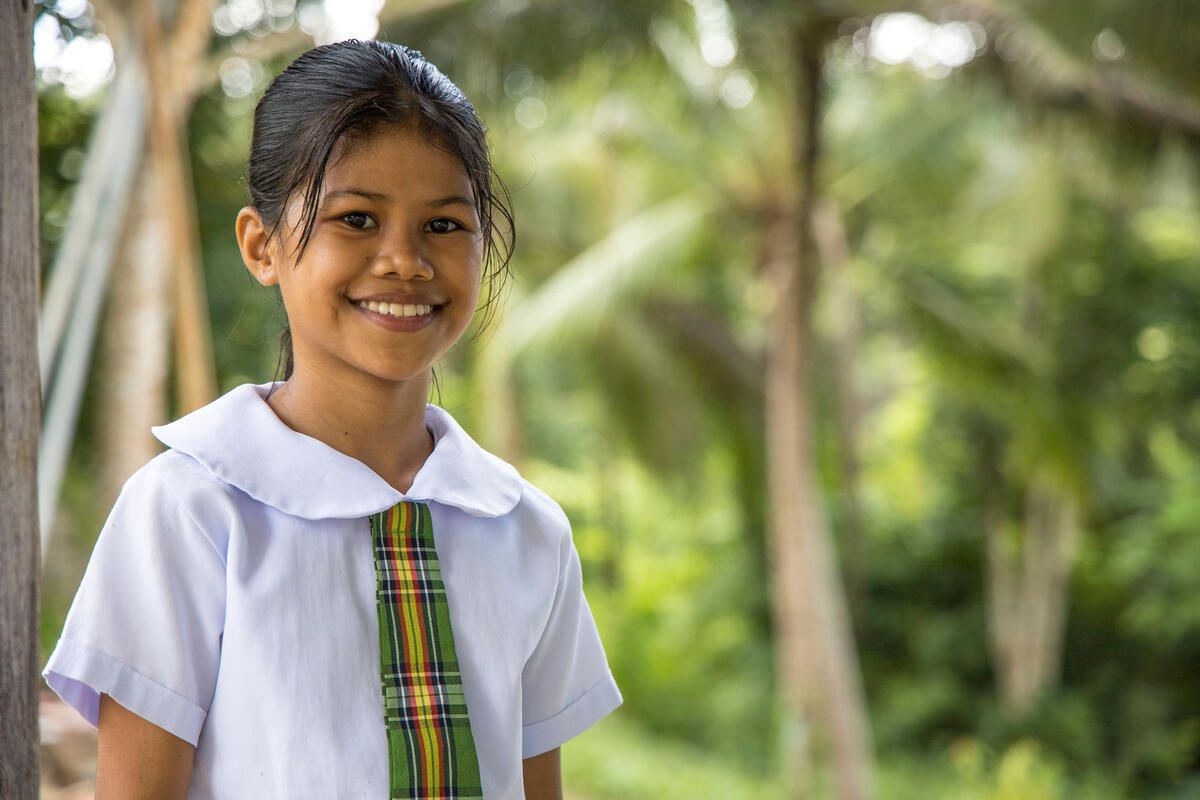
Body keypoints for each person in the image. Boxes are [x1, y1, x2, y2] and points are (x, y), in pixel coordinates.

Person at [41, 39, 622, 800]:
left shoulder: (525, 530)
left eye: (444, 226)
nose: (405, 262)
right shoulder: (188, 513)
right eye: (356, 219)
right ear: (261, 246)